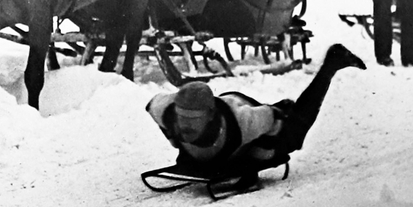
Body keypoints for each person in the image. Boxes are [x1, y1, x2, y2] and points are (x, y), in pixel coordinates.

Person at [145, 44, 366, 178]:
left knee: (294, 133)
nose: (185, 125)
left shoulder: (245, 123)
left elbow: (272, 119)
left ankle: (333, 63)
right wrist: (176, 140)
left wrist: (258, 159)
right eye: (182, 117)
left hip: (246, 111)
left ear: (210, 117)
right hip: (223, 103)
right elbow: (151, 105)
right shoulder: (167, 111)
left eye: (193, 120)